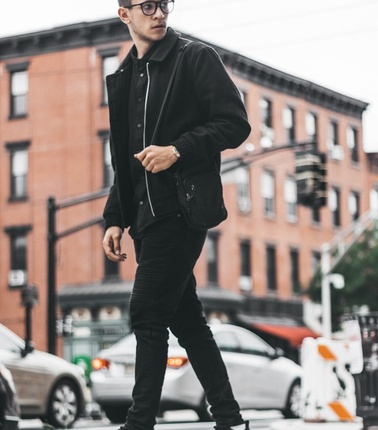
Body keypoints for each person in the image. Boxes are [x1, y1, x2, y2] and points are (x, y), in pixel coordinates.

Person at [102, 1, 251, 430]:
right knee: (187, 321)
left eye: (165, 3)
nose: (159, 13)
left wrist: (178, 150)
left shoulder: (194, 58)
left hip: (183, 209)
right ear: (124, 13)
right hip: (145, 219)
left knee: (146, 311)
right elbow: (126, 161)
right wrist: (115, 217)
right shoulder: (125, 77)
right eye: (147, 5)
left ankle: (139, 422)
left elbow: (235, 123)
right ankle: (229, 417)